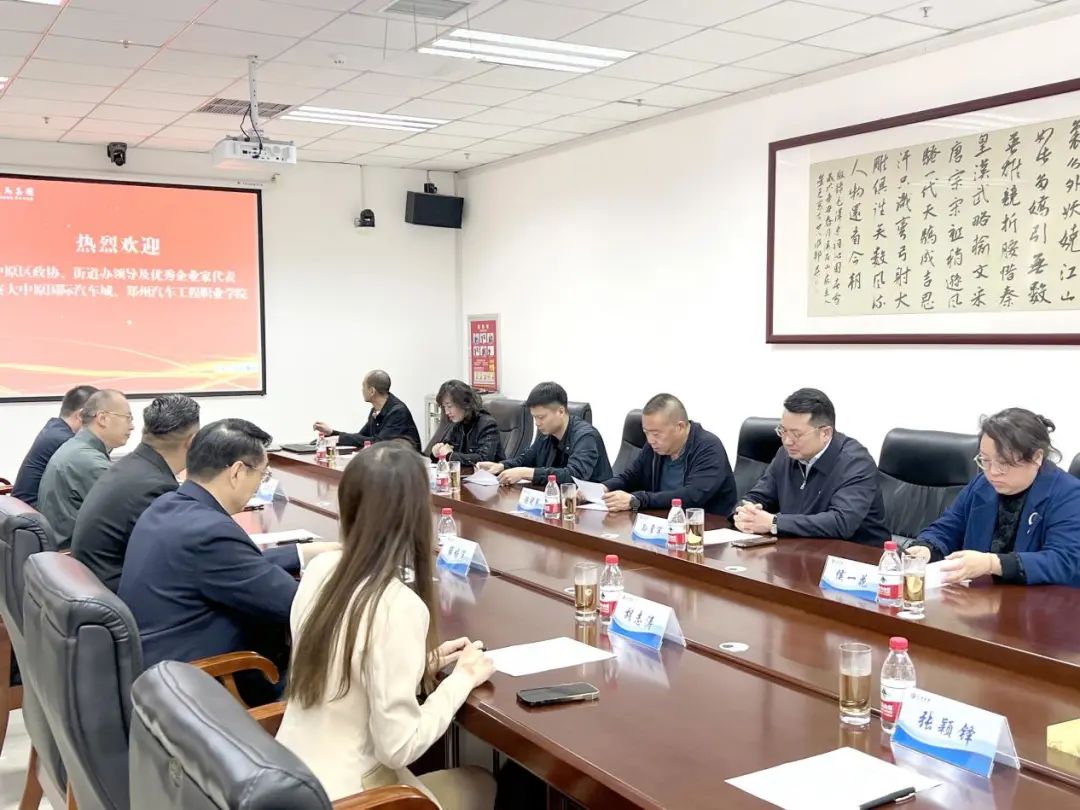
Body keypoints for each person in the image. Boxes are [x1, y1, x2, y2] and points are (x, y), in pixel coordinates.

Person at [276, 444, 496, 808]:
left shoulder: (320, 569)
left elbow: (345, 668)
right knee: (481, 783)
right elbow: (399, 746)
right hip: (352, 796)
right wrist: (462, 679)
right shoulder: (399, 606)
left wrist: (420, 662)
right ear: (416, 516)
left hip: (290, 778)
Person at [118, 418, 338, 699]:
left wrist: (305, 552)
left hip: (159, 667)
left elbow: (239, 566)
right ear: (237, 472)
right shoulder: (209, 532)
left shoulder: (168, 506)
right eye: (262, 474)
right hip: (205, 683)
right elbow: (295, 604)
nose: (259, 484)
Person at [907, 409, 1080, 586]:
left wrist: (992, 564)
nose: (992, 472)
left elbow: (1064, 560)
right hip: (981, 596)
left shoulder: (1069, 495)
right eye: (985, 460)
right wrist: (927, 548)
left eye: (1003, 463)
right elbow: (948, 527)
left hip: (1040, 599)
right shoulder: (982, 485)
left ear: (1036, 458)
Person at [71, 394, 200, 592]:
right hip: (116, 596)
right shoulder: (157, 488)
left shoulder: (131, 466)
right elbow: (178, 559)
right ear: (192, 442)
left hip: (91, 584)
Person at [733, 388, 888, 547]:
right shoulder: (785, 455)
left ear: (825, 433)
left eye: (796, 434)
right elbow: (758, 496)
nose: (787, 441)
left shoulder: (855, 463)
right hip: (801, 550)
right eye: (783, 431)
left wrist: (774, 523)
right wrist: (745, 513)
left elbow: (841, 522)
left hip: (857, 555)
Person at [598, 394, 737, 515]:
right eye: (646, 432)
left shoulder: (708, 448)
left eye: (656, 434)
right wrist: (603, 488)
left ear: (680, 427)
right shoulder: (655, 447)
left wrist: (637, 500)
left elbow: (692, 496)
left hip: (704, 527)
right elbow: (632, 476)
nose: (650, 440)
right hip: (662, 521)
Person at [37, 389, 133, 548]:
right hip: (74, 554)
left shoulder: (77, 447)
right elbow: (129, 516)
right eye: (128, 418)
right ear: (102, 418)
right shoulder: (90, 462)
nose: (132, 427)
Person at [477, 382, 611, 486]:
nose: (537, 423)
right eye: (534, 417)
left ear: (560, 411)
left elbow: (574, 476)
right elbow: (525, 459)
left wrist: (525, 473)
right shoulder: (547, 434)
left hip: (592, 505)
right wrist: (501, 466)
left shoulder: (586, 436)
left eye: (541, 417)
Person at [12, 384, 98, 506]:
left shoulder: (55, 427)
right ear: (80, 415)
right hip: (34, 510)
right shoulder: (66, 441)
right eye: (99, 416)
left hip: (26, 506)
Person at [313, 369, 421, 452]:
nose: (362, 390)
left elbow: (379, 443)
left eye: (363, 386)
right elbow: (360, 437)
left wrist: (337, 439)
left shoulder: (398, 412)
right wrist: (331, 433)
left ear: (372, 391)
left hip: (409, 466)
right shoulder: (376, 411)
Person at [428, 379, 504, 465]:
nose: (446, 412)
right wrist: (437, 453)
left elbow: (484, 459)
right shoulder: (457, 424)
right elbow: (446, 449)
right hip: (463, 472)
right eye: (444, 407)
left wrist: (451, 455)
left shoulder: (487, 424)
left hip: (489, 473)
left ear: (464, 403)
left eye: (449, 406)